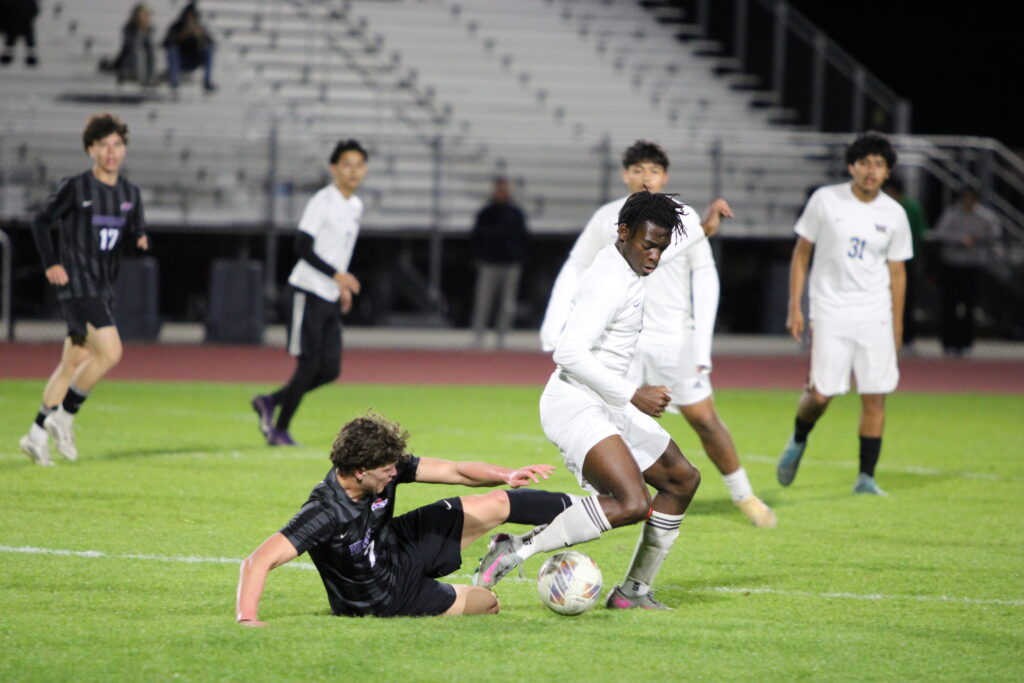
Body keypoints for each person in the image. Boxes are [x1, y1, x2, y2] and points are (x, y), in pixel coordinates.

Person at [475, 190, 701, 610]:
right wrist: (633, 394)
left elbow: (658, 252)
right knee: (631, 503)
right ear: (624, 232)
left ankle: (633, 593)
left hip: (605, 402)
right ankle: (518, 547)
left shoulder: (628, 260)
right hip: (575, 402)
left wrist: (707, 232)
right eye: (648, 246)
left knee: (682, 479)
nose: (654, 257)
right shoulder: (609, 280)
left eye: (661, 248)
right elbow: (569, 352)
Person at [540, 140, 775, 528]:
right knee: (609, 424)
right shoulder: (607, 219)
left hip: (674, 339)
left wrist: (703, 344)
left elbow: (699, 268)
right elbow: (577, 265)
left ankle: (743, 493)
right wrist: (554, 322)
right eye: (637, 170)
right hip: (622, 345)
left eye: (653, 170)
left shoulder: (681, 219)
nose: (645, 177)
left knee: (705, 419)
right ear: (624, 174)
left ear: (665, 176)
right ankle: (607, 502)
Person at [235, 413, 577, 621]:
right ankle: (471, 580)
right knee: (488, 604)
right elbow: (257, 560)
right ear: (359, 472)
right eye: (386, 471)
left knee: (498, 503)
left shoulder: (384, 465)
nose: (393, 474)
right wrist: (247, 618)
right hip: (382, 595)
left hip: (397, 542)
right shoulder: (325, 511)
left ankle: (591, 509)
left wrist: (507, 474)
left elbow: (456, 471)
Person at [777, 131, 912, 496]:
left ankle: (866, 477)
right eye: (865, 162)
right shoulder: (825, 200)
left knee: (875, 394)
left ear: (887, 172)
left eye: (879, 165)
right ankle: (799, 436)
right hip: (830, 309)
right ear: (852, 166)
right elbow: (802, 253)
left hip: (875, 313)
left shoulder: (895, 214)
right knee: (821, 395)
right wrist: (796, 306)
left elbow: (897, 272)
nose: (871, 170)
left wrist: (898, 325)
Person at [19, 113, 149, 466]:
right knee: (111, 351)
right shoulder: (76, 187)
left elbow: (135, 227)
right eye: (104, 145)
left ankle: (35, 434)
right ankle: (64, 417)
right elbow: (41, 220)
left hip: (103, 287)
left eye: (117, 145)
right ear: (91, 149)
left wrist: (139, 237)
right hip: (78, 285)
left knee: (72, 362)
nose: (111, 152)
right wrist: (51, 263)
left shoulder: (129, 193)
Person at [251, 140, 367, 446]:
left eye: (358, 165)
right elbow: (301, 246)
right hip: (306, 291)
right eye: (347, 164)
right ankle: (279, 429)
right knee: (309, 364)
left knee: (330, 369)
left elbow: (339, 250)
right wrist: (337, 275)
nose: (353, 171)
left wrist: (340, 284)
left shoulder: (355, 206)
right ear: (334, 168)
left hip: (329, 293)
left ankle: (270, 401)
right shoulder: (323, 201)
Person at [930, 187, 1000, 356]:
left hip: (973, 266)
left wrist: (976, 240)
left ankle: (966, 343)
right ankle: (948, 343)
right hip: (952, 265)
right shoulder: (952, 214)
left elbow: (995, 236)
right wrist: (959, 239)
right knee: (949, 305)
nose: (967, 201)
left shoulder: (985, 217)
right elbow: (939, 234)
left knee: (970, 306)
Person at [469, 177, 529, 349]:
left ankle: (502, 337)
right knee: (483, 301)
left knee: (507, 303)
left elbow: (523, 237)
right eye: (499, 189)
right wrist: (479, 256)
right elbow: (476, 237)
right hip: (489, 262)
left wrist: (519, 257)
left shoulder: (516, 214)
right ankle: (479, 336)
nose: (501, 193)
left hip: (510, 263)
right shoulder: (486, 213)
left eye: (504, 189)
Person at [882, 175, 928, 349]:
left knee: (906, 300)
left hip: (906, 259)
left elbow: (919, 234)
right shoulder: (880, 208)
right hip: (883, 261)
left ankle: (907, 337)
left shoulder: (911, 208)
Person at [162, 2, 215, 94]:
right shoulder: (177, 26)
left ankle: (207, 82)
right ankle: (174, 82)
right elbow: (166, 43)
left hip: (194, 60)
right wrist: (182, 36)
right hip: (180, 61)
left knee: (208, 49)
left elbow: (212, 43)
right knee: (173, 50)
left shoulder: (199, 27)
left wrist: (201, 37)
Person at [112, 3, 156, 86]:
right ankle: (137, 75)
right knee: (138, 51)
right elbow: (130, 48)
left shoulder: (151, 31)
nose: (140, 19)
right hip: (130, 64)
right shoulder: (129, 30)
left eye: (143, 16)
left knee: (148, 52)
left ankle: (148, 77)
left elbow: (152, 54)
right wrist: (139, 32)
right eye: (138, 17)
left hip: (146, 66)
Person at [0, 0, 39, 66]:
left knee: (11, 40)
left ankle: (7, 57)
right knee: (28, 41)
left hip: (15, 23)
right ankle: (31, 58)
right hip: (24, 22)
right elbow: (34, 10)